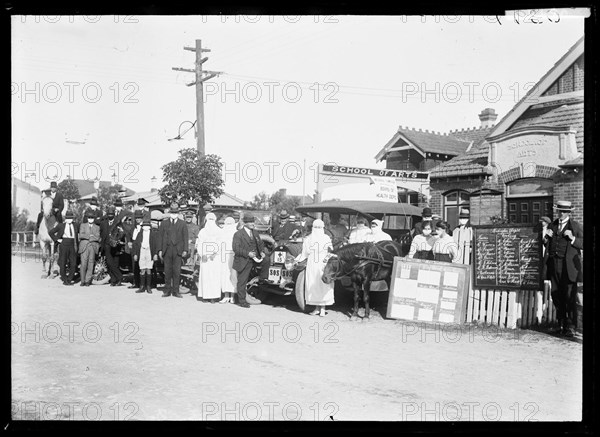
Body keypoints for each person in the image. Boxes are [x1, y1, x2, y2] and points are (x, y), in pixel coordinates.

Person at [546, 200, 583, 337]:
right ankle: (560, 324)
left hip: (568, 267)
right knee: (556, 295)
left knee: (569, 297)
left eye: (564, 211)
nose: (561, 213)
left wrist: (573, 238)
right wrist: (546, 237)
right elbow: (546, 243)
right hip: (553, 264)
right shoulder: (552, 225)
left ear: (569, 212)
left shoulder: (575, 226)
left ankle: (571, 327)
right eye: (559, 210)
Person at [294, 219, 334, 317]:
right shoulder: (311, 238)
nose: (317, 229)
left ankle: (323, 308)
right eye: (316, 227)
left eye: (319, 227)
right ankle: (317, 308)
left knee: (323, 284)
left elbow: (330, 251)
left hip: (322, 263)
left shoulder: (324, 238)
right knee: (314, 284)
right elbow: (305, 252)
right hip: (313, 264)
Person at [232, 214, 266, 308]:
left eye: (253, 222)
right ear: (244, 223)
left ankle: (263, 278)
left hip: (255, 258)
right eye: (250, 222)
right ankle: (242, 301)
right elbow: (236, 248)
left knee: (267, 260)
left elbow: (260, 243)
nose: (252, 224)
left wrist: (262, 252)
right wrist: (248, 253)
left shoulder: (255, 232)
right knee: (242, 281)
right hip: (244, 259)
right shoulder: (238, 234)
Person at [158, 203, 188, 298]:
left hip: (178, 250)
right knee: (167, 271)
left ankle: (176, 291)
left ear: (178, 213)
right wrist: (159, 250)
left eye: (176, 212)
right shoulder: (164, 223)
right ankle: (167, 290)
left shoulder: (182, 223)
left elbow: (185, 238)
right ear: (170, 212)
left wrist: (185, 250)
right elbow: (160, 237)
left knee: (176, 271)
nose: (174, 214)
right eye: (172, 212)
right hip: (167, 250)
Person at [195, 212, 222, 302]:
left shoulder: (219, 231)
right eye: (209, 220)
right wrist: (202, 254)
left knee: (215, 277)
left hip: (215, 257)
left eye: (212, 220)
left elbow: (221, 244)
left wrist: (215, 253)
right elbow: (200, 243)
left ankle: (213, 297)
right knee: (205, 276)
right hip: (205, 257)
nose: (210, 222)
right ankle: (205, 296)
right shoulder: (203, 231)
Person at [49, 210, 79, 285]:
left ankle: (69, 279)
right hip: (64, 244)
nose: (69, 220)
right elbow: (51, 232)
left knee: (73, 263)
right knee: (62, 262)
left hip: (72, 244)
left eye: (71, 218)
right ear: (65, 218)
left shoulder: (76, 225)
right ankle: (64, 279)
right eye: (68, 218)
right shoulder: (61, 225)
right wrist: (57, 239)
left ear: (73, 218)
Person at [99, 206, 125, 286]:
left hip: (115, 247)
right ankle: (119, 277)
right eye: (109, 214)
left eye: (111, 214)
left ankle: (115, 280)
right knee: (109, 263)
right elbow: (101, 234)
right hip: (106, 246)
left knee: (115, 264)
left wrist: (118, 240)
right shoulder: (103, 223)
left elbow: (122, 233)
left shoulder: (118, 222)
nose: (110, 215)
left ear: (114, 214)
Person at [132, 217, 159, 294]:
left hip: (149, 251)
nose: (145, 227)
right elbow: (135, 244)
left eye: (147, 226)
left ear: (150, 227)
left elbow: (156, 245)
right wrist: (135, 254)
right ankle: (142, 286)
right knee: (142, 269)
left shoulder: (153, 234)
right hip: (142, 251)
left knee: (149, 269)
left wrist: (155, 254)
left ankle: (148, 286)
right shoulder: (140, 234)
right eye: (144, 226)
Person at [78, 209, 101, 286]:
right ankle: (82, 280)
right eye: (89, 217)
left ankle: (88, 280)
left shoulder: (97, 227)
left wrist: (89, 237)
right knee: (83, 264)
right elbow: (81, 235)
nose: (90, 219)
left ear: (94, 219)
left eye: (92, 217)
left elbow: (97, 237)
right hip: (84, 246)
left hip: (93, 247)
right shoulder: (83, 225)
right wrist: (90, 236)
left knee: (91, 264)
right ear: (87, 218)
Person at [218, 216, 238, 304]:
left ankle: (232, 296)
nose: (229, 225)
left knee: (233, 275)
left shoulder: (236, 233)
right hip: (224, 257)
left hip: (233, 256)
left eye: (231, 224)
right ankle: (226, 295)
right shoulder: (222, 232)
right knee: (224, 275)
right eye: (227, 223)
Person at [126, 210, 144, 290]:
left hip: (142, 247)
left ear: (142, 218)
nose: (138, 219)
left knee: (142, 265)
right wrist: (129, 241)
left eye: (139, 218)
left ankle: (142, 283)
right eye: (136, 218)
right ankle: (135, 282)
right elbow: (128, 234)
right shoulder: (133, 227)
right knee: (134, 265)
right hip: (134, 246)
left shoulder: (145, 226)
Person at [149, 210, 165, 291]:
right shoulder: (150, 230)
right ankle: (152, 282)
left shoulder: (161, 231)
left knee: (154, 266)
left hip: (158, 249)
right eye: (153, 221)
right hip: (151, 248)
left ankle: (154, 282)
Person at [540, 216, 552, 280]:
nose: (542, 222)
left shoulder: (548, 230)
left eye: (543, 221)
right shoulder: (540, 230)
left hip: (546, 249)